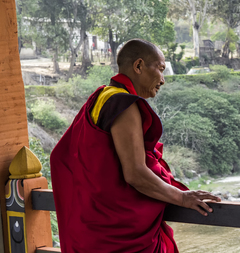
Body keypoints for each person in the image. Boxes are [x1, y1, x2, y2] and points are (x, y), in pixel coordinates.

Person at [50, 39, 220, 252]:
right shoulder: (123, 104)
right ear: (138, 66)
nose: (163, 80)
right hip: (117, 234)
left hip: (90, 224)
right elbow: (135, 173)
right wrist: (182, 197)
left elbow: (62, 158)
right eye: (160, 69)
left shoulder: (100, 98)